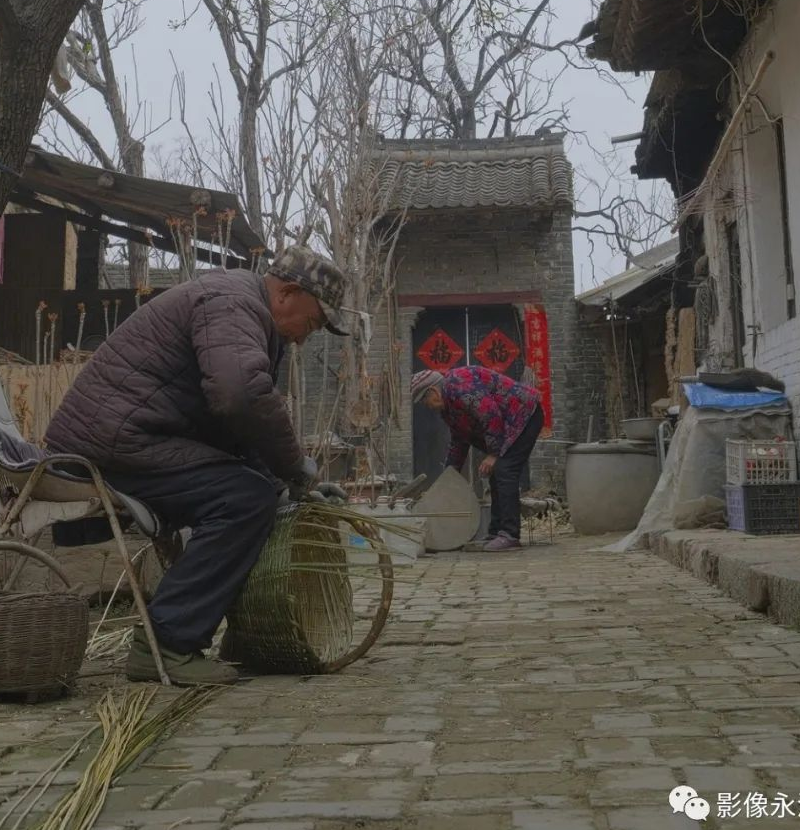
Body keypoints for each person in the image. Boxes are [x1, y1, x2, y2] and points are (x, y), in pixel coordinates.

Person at [45, 244, 350, 684]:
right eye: (313, 322)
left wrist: (288, 482)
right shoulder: (233, 304)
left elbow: (235, 429)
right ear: (287, 292)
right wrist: (293, 468)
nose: (306, 336)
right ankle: (165, 644)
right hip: (114, 440)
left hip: (136, 435)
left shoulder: (249, 310)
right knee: (243, 500)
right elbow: (241, 397)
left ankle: (219, 633)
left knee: (254, 491)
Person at [410, 364, 544, 551]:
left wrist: (493, 454)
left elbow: (491, 415)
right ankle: (496, 532)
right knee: (497, 473)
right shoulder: (448, 408)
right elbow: (459, 440)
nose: (427, 406)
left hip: (523, 416)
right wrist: (449, 474)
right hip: (506, 426)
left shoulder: (458, 385)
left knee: (504, 470)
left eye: (426, 401)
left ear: (433, 391)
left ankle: (510, 534)